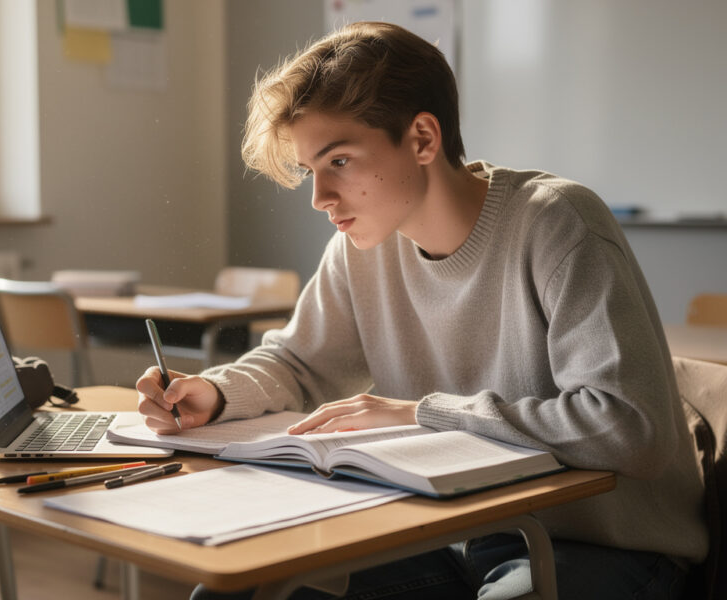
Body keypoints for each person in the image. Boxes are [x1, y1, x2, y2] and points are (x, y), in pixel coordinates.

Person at [136, 21, 707, 600]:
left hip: (600, 547)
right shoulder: (361, 248)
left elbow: (628, 428)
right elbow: (298, 363)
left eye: (339, 162)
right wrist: (218, 393)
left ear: (423, 139)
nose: (319, 199)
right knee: (238, 591)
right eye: (313, 171)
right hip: (455, 528)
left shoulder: (558, 223)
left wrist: (423, 414)